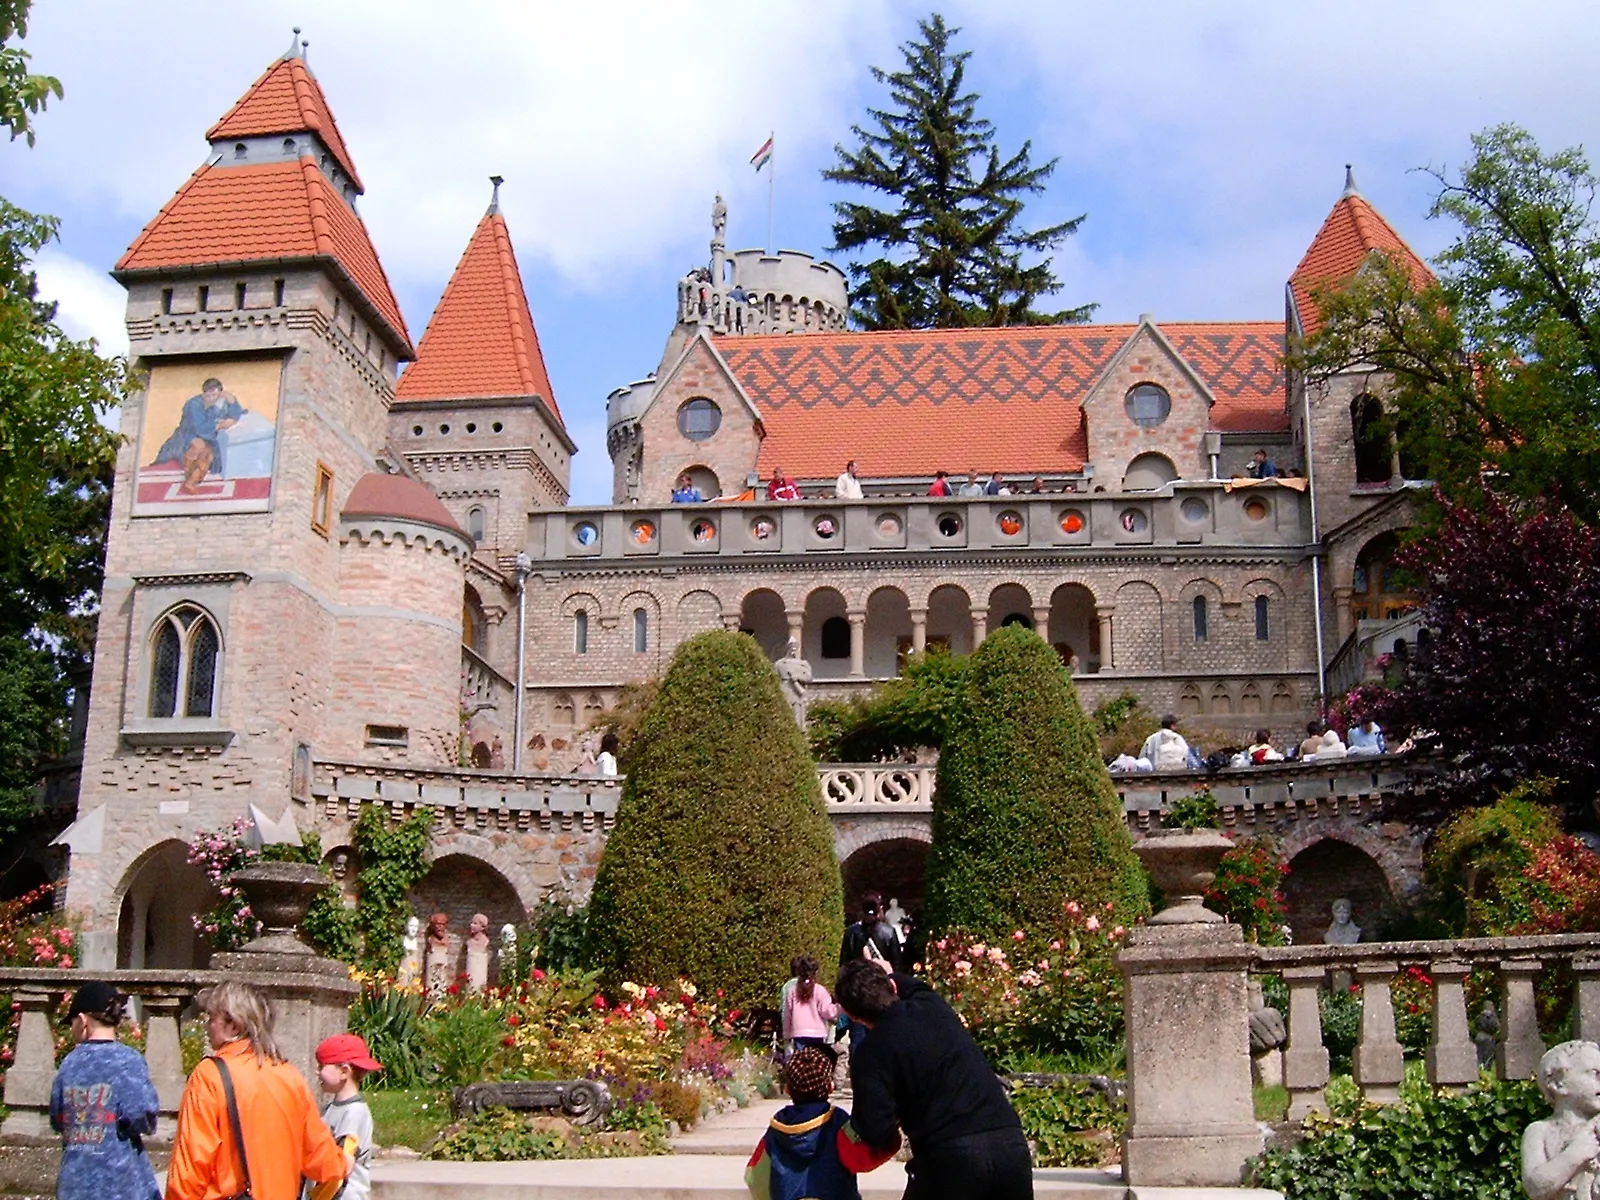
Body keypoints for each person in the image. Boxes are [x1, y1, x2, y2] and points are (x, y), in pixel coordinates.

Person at [834, 960, 1032, 1200]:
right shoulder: (931, 1004)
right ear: (892, 987)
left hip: (949, 1157)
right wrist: (884, 973)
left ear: (853, 1015)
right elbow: (908, 984)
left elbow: (876, 1132)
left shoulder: (870, 1054)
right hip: (1010, 1145)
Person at [166, 981, 347, 1200]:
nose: (207, 1026)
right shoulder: (290, 1076)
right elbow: (323, 1162)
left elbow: (190, 1169)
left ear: (233, 1024)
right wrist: (344, 1160)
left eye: (211, 1018)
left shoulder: (209, 1076)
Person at [50, 980, 160, 1200]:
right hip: (119, 1184)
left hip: (74, 1186)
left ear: (82, 1021)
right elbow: (145, 1117)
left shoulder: (69, 1063)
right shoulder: (128, 1060)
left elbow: (57, 1118)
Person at [744, 1047, 898, 1200]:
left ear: (787, 1089)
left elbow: (755, 1177)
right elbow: (862, 1158)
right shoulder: (838, 1123)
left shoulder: (776, 1131)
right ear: (830, 1087)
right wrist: (891, 1139)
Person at [1523, 1040, 1600, 1200]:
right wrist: (1575, 1153)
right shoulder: (1539, 1130)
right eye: (1595, 1074)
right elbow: (1535, 1187)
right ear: (1558, 1083)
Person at [307, 1033, 380, 1200]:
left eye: (322, 1066)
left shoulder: (354, 1113)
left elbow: (342, 1165)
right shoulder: (330, 1109)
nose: (317, 1072)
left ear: (344, 1072)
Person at [150, 376, 245, 493]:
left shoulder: (220, 403)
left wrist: (232, 402)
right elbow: (198, 426)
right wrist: (219, 425)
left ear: (220, 394)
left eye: (214, 395)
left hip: (209, 438)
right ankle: (188, 472)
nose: (211, 399)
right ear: (203, 393)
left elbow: (236, 413)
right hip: (188, 434)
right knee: (199, 447)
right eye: (208, 395)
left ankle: (191, 481)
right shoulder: (193, 404)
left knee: (208, 454)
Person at [782, 957, 840, 1054]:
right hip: (817, 1033)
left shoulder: (792, 991)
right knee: (815, 1060)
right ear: (815, 972)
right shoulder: (820, 990)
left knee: (802, 1060)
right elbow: (827, 1012)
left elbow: (787, 1014)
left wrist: (786, 1034)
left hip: (798, 1032)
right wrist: (839, 1007)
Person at [839, 894, 900, 971]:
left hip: (857, 980)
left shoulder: (851, 932)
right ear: (879, 910)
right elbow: (897, 964)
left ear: (863, 910)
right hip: (882, 979)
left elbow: (844, 964)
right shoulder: (889, 932)